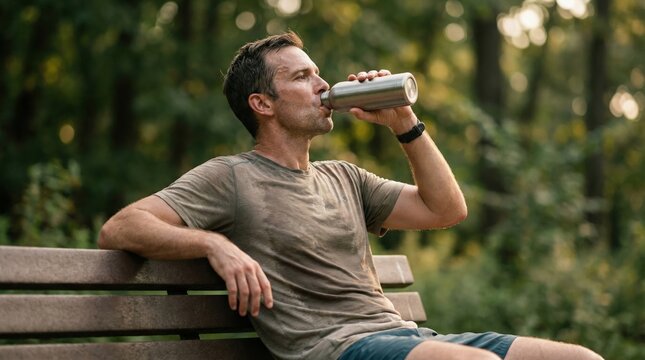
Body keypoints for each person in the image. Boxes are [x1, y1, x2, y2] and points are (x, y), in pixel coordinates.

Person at [99, 31, 603, 360]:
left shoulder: (345, 176)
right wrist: (214, 244)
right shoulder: (230, 177)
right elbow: (119, 227)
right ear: (262, 104)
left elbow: (446, 210)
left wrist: (405, 124)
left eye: (318, 73)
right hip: (335, 349)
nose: (323, 86)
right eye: (301, 77)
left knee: (580, 359)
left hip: (407, 340)